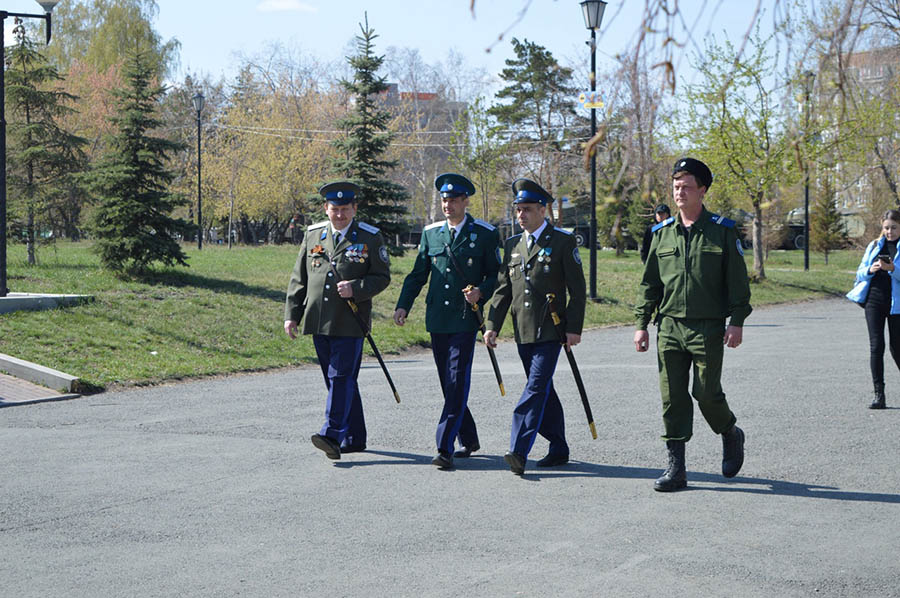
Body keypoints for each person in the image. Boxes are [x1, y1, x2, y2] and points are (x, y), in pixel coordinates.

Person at [633, 158, 751, 492]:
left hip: (707, 327)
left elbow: (738, 282)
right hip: (669, 326)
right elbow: (650, 284)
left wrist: (737, 321)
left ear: (702, 189)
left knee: (706, 393)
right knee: (672, 397)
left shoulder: (722, 231)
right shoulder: (662, 233)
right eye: (676, 187)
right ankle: (677, 469)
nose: (679, 192)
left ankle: (730, 432)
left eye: (686, 187)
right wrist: (641, 323)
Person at [394, 173, 502, 469]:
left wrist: (482, 291)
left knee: (456, 380)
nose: (448, 204)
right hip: (438, 318)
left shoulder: (484, 233)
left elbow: (497, 274)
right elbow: (418, 275)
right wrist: (404, 305)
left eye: (454, 200)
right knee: (448, 383)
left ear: (466, 201)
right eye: (444, 199)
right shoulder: (431, 233)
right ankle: (469, 437)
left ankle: (445, 446)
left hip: (466, 318)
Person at [485, 179, 586, 475]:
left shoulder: (563, 242)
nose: (521, 215)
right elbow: (504, 289)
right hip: (523, 329)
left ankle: (519, 449)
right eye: (518, 209)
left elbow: (577, 291)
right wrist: (492, 324)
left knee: (535, 388)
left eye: (527, 209)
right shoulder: (513, 245)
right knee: (543, 389)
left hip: (550, 329)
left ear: (543, 210)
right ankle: (558, 446)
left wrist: (573, 328)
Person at [284, 181, 391, 460]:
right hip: (319, 319)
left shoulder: (370, 237)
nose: (340, 214)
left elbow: (382, 278)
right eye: (335, 209)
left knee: (340, 377)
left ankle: (332, 434)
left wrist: (356, 287)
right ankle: (355, 437)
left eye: (345, 209)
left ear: (354, 208)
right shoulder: (314, 235)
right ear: (326, 208)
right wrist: (291, 315)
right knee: (338, 382)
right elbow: (300, 278)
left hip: (350, 321)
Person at [846, 209, 900, 409]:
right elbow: (860, 273)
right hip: (874, 301)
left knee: (897, 348)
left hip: (897, 304)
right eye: (886, 228)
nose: (889, 232)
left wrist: (893, 269)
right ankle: (879, 395)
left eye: (894, 228)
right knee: (876, 347)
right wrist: (871, 269)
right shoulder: (875, 245)